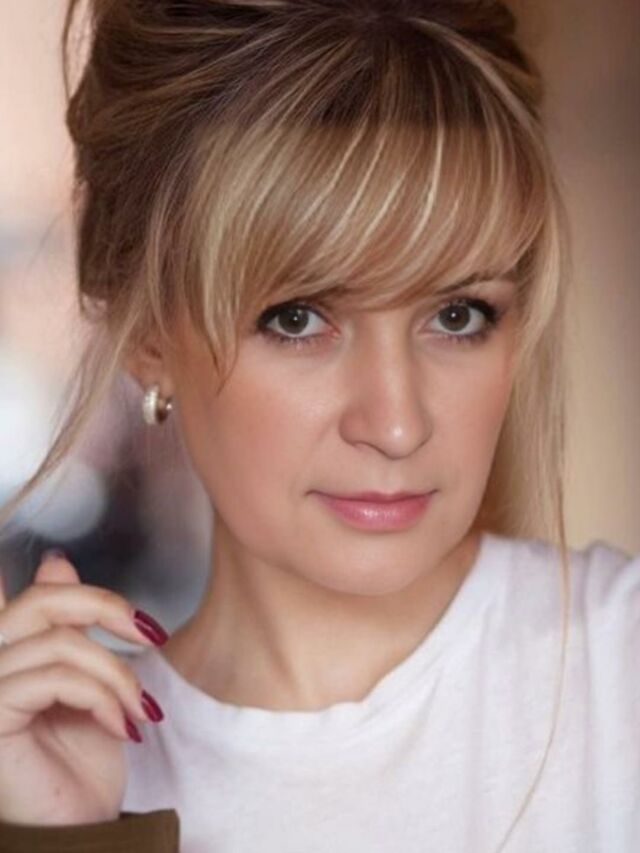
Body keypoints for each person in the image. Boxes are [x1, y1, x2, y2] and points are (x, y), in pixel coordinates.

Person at [0, 1, 638, 851]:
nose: (397, 425)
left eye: (457, 315)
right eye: (298, 318)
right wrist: (61, 838)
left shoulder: (620, 665)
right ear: (149, 335)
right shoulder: (58, 766)